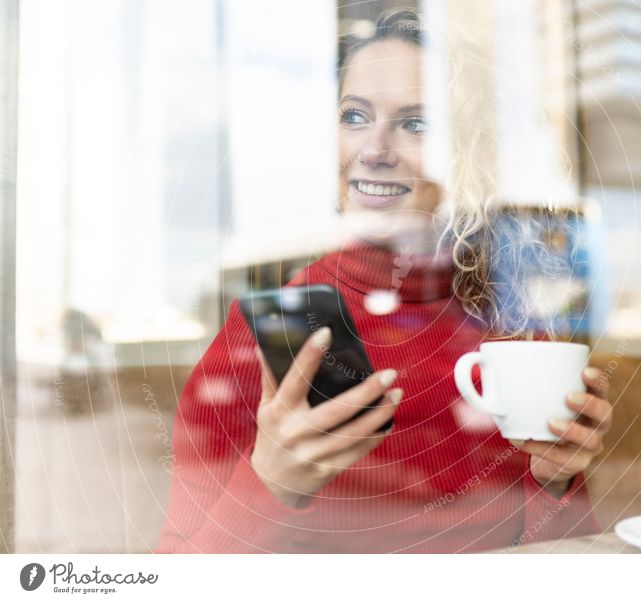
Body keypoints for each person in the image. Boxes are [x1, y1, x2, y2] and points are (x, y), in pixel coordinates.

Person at [156, 9, 612, 553]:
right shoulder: (270, 328)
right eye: (354, 116)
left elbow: (569, 565)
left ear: (463, 156)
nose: (373, 150)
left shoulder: (513, 330)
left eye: (416, 124)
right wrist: (269, 485)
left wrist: (553, 482)